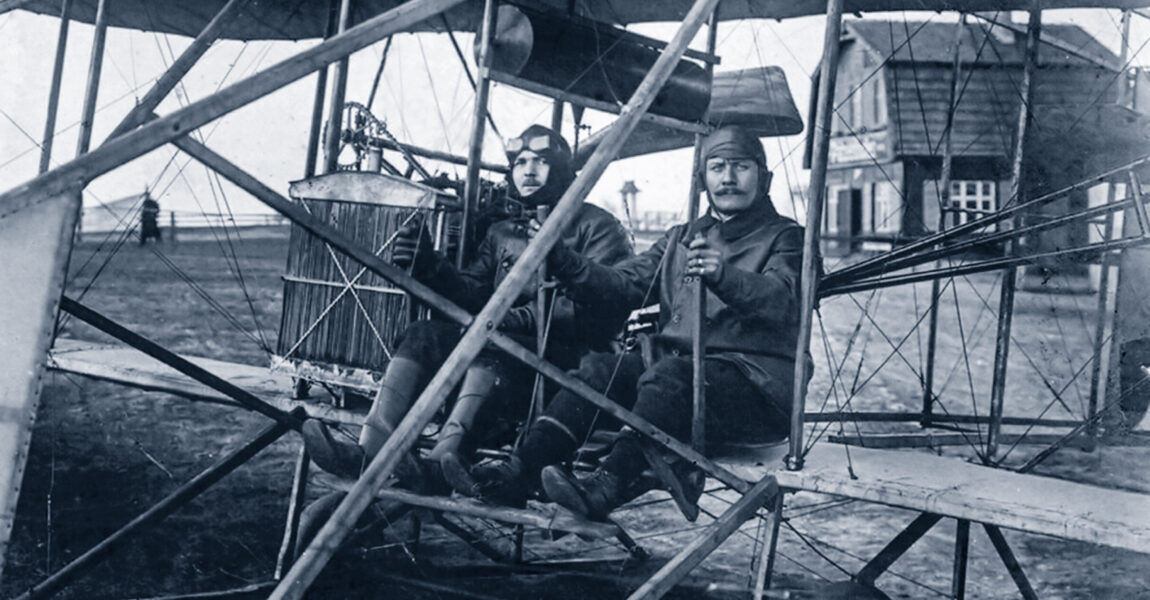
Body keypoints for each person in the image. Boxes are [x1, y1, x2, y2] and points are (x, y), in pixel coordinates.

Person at [459, 124, 819, 519]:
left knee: (670, 375)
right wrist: (562, 259)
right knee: (599, 369)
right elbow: (621, 285)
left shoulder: (789, 238)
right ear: (703, 179)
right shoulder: (681, 237)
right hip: (679, 382)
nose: (728, 178)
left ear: (764, 178)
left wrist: (725, 276)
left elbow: (785, 302)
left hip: (756, 390)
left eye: (741, 167)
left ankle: (609, 484)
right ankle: (522, 470)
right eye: (717, 167)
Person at [300, 124, 633, 486]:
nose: (529, 170)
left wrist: (506, 321)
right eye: (520, 162)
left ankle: (445, 460)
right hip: (500, 342)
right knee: (424, 334)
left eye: (541, 160)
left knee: (489, 347)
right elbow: (472, 291)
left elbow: (600, 309)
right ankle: (371, 450)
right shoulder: (504, 231)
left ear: (567, 169)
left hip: (566, 364)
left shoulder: (599, 227)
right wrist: (430, 266)